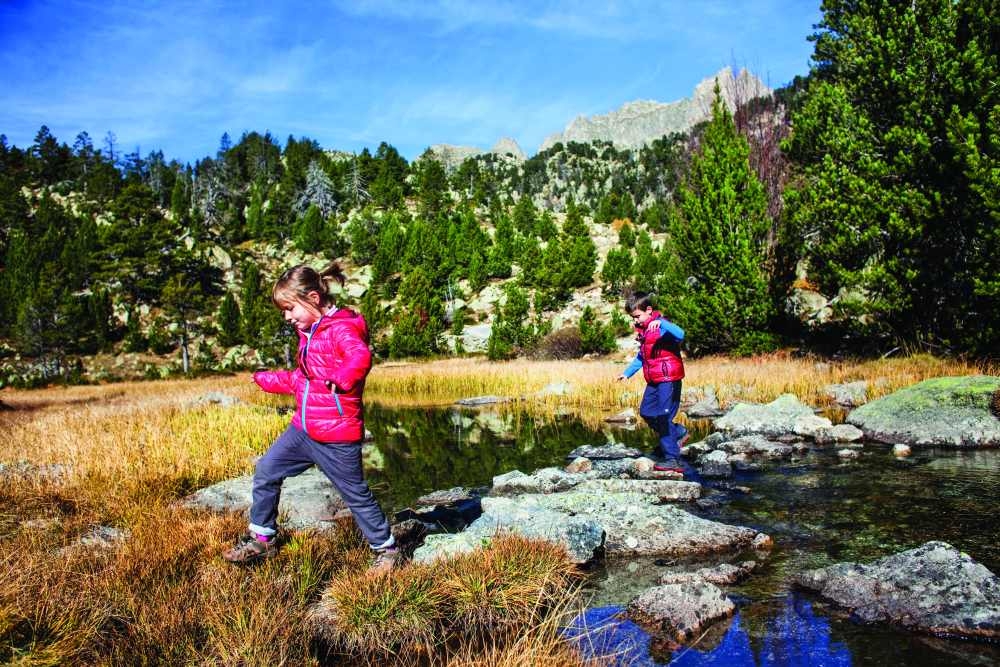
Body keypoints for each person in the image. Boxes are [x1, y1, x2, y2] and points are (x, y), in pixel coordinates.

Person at [223, 261, 398, 573]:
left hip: (336, 434)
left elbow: (360, 356)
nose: (287, 317)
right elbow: (304, 379)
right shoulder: (309, 331)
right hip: (302, 430)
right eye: (284, 311)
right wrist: (269, 380)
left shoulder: (341, 328)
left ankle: (386, 550)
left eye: (291, 309)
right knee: (266, 470)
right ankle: (262, 539)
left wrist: (344, 376)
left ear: (313, 299)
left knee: (355, 495)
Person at [617, 292, 688, 473]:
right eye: (633, 318)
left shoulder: (662, 326)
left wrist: (662, 322)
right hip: (654, 380)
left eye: (637, 316)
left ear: (648, 310)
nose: (636, 321)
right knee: (646, 412)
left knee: (663, 416)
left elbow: (681, 334)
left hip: (668, 378)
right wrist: (627, 373)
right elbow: (642, 357)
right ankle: (678, 432)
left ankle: (673, 459)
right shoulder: (645, 331)